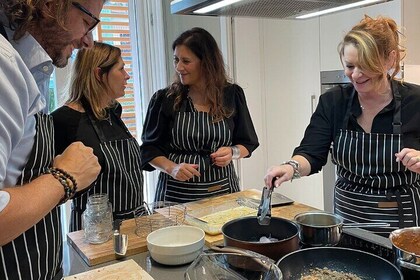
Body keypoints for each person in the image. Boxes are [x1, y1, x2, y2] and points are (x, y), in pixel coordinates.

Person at [264, 15, 420, 237]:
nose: (355, 75)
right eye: (349, 66)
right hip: (347, 218)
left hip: (399, 223)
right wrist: (290, 168)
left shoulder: (416, 101)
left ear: (389, 59)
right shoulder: (334, 101)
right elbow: (311, 153)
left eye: (365, 65)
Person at [0, 1, 105, 279]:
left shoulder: (28, 68)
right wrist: (65, 177)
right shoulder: (3, 65)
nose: (88, 42)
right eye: (88, 22)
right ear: (50, 5)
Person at [140, 27, 259, 203]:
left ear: (206, 63)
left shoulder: (231, 95)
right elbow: (149, 150)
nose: (179, 67)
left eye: (186, 61)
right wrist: (172, 168)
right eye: (176, 60)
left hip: (222, 191)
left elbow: (248, 143)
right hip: (176, 196)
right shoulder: (165, 99)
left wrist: (232, 152)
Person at [52, 42, 144, 232]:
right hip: (95, 231)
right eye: (121, 69)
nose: (127, 76)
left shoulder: (112, 112)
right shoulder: (64, 120)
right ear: (98, 74)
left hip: (134, 224)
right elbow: (53, 189)